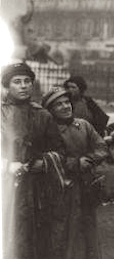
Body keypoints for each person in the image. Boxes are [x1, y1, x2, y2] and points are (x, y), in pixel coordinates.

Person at [1, 63, 67, 259]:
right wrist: (7, 165)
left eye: (27, 81)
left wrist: (45, 162)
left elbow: (60, 151)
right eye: (17, 82)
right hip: (5, 188)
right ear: (7, 85)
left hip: (37, 189)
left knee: (37, 240)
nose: (23, 86)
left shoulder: (43, 115)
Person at [41, 85, 107, 259]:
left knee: (89, 229)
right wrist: (76, 163)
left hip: (86, 186)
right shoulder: (49, 131)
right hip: (62, 188)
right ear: (50, 110)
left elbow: (101, 147)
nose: (65, 106)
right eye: (59, 104)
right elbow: (51, 157)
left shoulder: (83, 125)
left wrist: (90, 159)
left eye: (67, 102)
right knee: (65, 231)